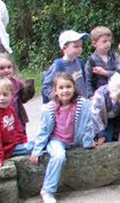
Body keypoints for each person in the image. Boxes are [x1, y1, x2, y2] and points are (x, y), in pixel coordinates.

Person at [30, 73, 94, 203]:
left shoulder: (83, 104)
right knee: (59, 156)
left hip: (74, 140)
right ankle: (47, 190)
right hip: (56, 140)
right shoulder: (49, 109)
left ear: (74, 88)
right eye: (61, 88)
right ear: (55, 90)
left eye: (68, 87)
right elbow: (43, 131)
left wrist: (89, 142)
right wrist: (37, 150)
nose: (65, 90)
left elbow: (88, 124)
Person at [0, 78, 32, 169]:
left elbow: (17, 127)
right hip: (6, 150)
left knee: (38, 141)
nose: (2, 98)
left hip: (15, 143)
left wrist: (24, 140)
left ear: (12, 95)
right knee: (38, 146)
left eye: (5, 94)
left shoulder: (10, 109)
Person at [42, 30, 89, 103]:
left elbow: (85, 83)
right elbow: (46, 87)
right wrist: (59, 100)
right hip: (67, 107)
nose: (80, 49)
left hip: (82, 104)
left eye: (81, 46)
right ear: (64, 48)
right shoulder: (58, 65)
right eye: (76, 46)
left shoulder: (80, 63)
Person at [0, 53, 35, 132]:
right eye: (2, 68)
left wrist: (29, 87)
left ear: (13, 68)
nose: (6, 70)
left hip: (17, 118)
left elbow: (23, 99)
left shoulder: (17, 83)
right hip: (2, 119)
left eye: (9, 67)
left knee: (21, 138)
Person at [91, 74, 120, 148]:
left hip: (118, 120)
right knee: (106, 139)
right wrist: (100, 134)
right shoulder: (100, 94)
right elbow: (95, 115)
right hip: (102, 121)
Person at [85, 26, 119, 98]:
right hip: (100, 97)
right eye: (104, 41)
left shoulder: (114, 56)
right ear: (94, 43)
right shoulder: (91, 60)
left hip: (116, 94)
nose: (108, 44)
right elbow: (88, 81)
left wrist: (105, 73)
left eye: (109, 41)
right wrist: (91, 96)